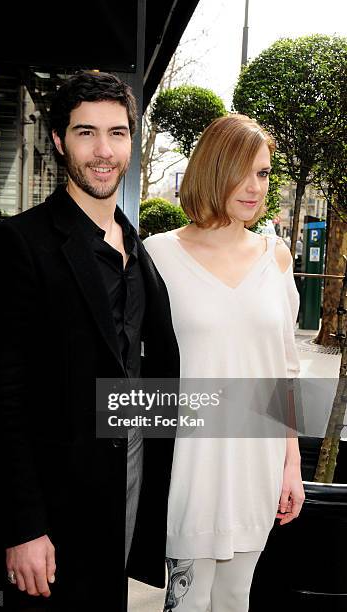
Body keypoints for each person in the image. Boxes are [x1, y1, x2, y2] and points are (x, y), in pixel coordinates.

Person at [0, 70, 179, 611]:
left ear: (132, 141)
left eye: (116, 133)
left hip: (126, 493)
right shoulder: (21, 243)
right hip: (55, 512)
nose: (103, 151)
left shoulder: (139, 251)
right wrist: (24, 526)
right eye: (86, 133)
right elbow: (2, 399)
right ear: (60, 141)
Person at [144, 114, 305, 612]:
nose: (256, 188)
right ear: (213, 170)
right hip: (188, 468)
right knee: (185, 604)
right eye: (244, 172)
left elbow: (283, 369)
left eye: (263, 173)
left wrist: (291, 463)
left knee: (237, 599)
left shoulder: (276, 257)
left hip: (254, 463)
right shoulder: (156, 256)